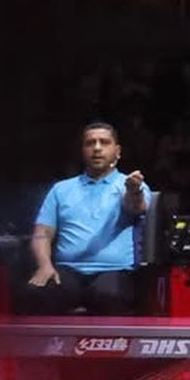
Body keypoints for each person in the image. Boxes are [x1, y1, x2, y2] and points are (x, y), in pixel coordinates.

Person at [21, 122, 150, 315]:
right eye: (90, 143)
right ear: (83, 151)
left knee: (108, 295)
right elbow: (42, 233)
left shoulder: (131, 186)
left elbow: (136, 207)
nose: (97, 148)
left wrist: (134, 191)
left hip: (115, 271)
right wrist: (45, 266)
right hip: (68, 271)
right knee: (37, 293)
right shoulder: (61, 190)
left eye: (104, 142)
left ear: (117, 152)